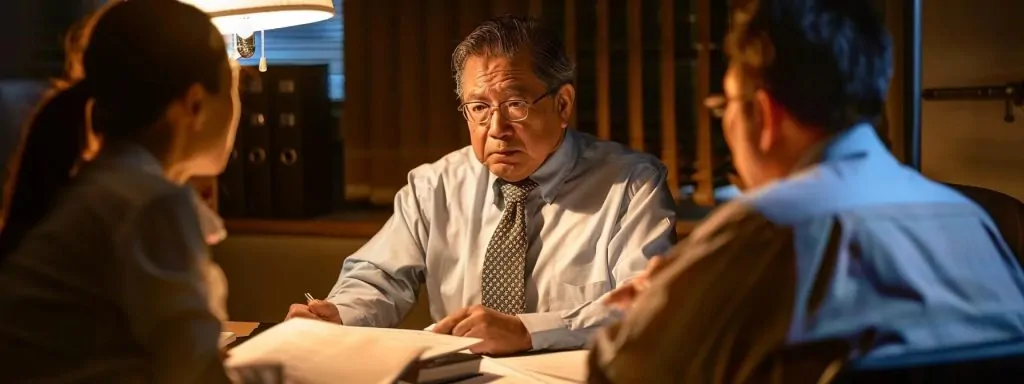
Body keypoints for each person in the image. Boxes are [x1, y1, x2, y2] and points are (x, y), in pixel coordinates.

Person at [590, 0, 1024, 382]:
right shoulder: (973, 219)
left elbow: (618, 372)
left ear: (764, 115)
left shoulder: (765, 229)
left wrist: (656, 308)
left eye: (725, 107)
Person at [286, 15, 677, 355]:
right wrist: (339, 314)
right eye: (479, 108)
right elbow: (381, 277)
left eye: (515, 105)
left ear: (563, 105)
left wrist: (528, 332)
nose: (497, 129)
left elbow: (645, 304)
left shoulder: (631, 185)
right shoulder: (435, 186)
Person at [0, 1, 242, 382]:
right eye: (234, 88)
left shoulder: (107, 186)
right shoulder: (149, 202)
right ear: (194, 104)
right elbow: (197, 374)